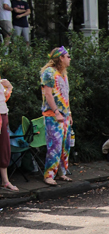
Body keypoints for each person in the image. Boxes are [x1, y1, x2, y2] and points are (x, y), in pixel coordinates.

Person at [40, 46, 74, 187]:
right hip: (53, 116)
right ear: (61, 57)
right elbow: (48, 94)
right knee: (54, 145)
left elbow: (66, 96)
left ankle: (61, 173)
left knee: (65, 145)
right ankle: (49, 175)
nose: (69, 58)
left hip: (64, 115)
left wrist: (69, 113)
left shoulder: (63, 74)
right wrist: (56, 112)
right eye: (67, 56)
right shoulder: (49, 73)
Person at [0, 71, 16, 190]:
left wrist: (9, 87)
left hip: (3, 115)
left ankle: (5, 181)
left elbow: (3, 99)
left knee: (4, 147)